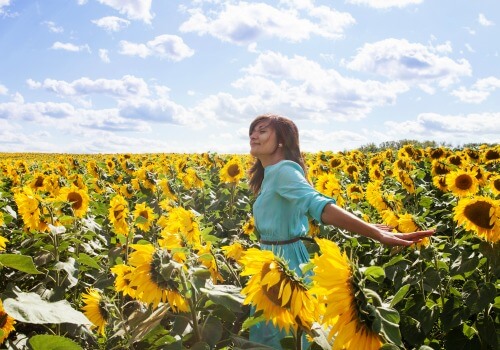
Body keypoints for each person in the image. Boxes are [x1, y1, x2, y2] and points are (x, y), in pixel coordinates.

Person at [247, 113, 435, 349]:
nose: (254, 135)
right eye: (252, 131)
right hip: (271, 262)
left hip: (286, 266)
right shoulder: (272, 174)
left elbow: (319, 206)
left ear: (282, 140)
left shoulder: (284, 171)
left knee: (286, 338)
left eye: (262, 130)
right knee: (276, 336)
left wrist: (376, 234)